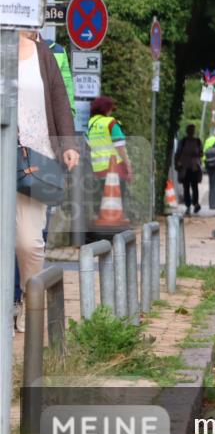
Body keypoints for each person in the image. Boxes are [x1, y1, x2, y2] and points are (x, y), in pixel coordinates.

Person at [13, 30, 79, 332]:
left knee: (28, 241)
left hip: (35, 160)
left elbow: (59, 101)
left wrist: (68, 145)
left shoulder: (44, 54)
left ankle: (30, 299)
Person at [86, 96, 133, 219]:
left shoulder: (91, 124)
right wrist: (128, 164)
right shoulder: (110, 123)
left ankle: (100, 221)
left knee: (101, 199)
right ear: (107, 109)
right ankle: (117, 222)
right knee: (117, 198)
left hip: (98, 168)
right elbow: (120, 146)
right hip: (114, 167)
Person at [175, 124, 203, 215]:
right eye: (190, 130)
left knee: (194, 187)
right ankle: (189, 205)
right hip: (185, 168)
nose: (191, 132)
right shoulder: (183, 142)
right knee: (187, 187)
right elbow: (178, 154)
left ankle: (195, 204)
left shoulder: (197, 141)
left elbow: (201, 153)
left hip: (194, 167)